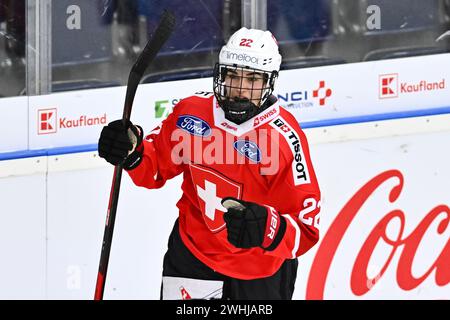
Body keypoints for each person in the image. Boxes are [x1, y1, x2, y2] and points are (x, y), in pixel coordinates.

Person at [98, 27, 321, 300]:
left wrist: (268, 228)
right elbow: (154, 166)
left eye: (252, 78)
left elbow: (307, 228)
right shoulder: (191, 113)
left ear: (269, 82)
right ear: (221, 75)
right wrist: (131, 150)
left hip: (259, 272)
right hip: (192, 258)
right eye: (233, 75)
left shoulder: (285, 139)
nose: (240, 89)